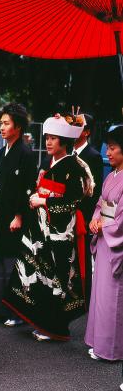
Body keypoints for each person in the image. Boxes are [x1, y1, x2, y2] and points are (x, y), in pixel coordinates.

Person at [3, 114, 94, 340]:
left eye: (54, 138)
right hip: (40, 227)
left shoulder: (74, 166)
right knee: (39, 273)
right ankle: (40, 321)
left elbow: (75, 201)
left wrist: (45, 201)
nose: (49, 143)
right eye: (47, 138)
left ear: (65, 141)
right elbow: (39, 188)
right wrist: (36, 197)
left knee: (58, 277)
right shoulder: (47, 163)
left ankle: (55, 327)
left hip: (60, 231)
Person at [0, 103, 36, 326]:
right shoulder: (3, 151)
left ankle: (15, 312)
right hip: (1, 212)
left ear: (18, 127)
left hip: (16, 216)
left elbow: (27, 187)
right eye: (1, 123)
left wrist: (19, 215)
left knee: (13, 261)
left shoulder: (26, 154)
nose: (2, 127)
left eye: (6, 123)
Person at [85, 126, 123, 361]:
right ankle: (99, 341)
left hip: (115, 240)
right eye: (107, 148)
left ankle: (112, 349)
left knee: (114, 297)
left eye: (112, 148)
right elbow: (101, 203)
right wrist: (95, 219)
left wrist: (105, 226)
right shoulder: (112, 175)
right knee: (100, 294)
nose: (107, 153)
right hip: (104, 238)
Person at [66, 111, 103, 309]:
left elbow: (93, 192)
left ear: (86, 132)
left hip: (82, 213)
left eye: (78, 124)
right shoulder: (66, 153)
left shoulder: (94, 156)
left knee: (82, 256)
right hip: (64, 212)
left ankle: (84, 298)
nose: (73, 126)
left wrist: (87, 216)